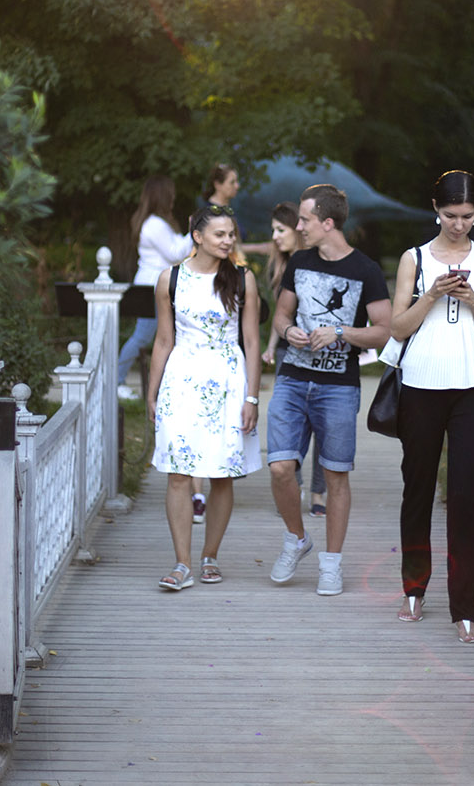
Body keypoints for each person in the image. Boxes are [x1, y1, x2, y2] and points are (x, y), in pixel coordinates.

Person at [387, 170, 474, 643]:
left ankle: (466, 609)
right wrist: (432, 292)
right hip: (421, 383)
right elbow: (398, 327)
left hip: (472, 385)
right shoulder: (413, 258)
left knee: (463, 496)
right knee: (417, 488)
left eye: (468, 217)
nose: (459, 225)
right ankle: (413, 588)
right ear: (435, 208)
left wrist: (473, 297)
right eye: (451, 215)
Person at [266, 183, 391, 595]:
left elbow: (385, 333)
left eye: (304, 220)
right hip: (292, 378)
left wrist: (339, 330)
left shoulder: (366, 271)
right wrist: (290, 331)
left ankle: (331, 564)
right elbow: (281, 316)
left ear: (328, 222)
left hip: (338, 387)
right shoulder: (299, 261)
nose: (298, 227)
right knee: (282, 467)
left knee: (335, 475)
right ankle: (297, 538)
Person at [146, 204, 263, 591]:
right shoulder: (171, 279)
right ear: (198, 236)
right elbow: (164, 340)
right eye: (220, 234)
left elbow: (251, 341)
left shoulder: (243, 280)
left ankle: (210, 554)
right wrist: (152, 392)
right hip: (181, 380)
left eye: (231, 234)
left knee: (221, 474)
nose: (228, 240)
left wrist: (252, 398)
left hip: (228, 380)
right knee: (179, 472)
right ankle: (182, 564)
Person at [261, 202, 326, 517]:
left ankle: (319, 493)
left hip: (320, 350)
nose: (274, 237)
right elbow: (280, 314)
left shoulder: (313, 263)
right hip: (290, 350)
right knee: (291, 424)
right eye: (273, 230)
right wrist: (271, 345)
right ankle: (294, 489)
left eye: (280, 230)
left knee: (321, 422)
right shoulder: (279, 265)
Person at [116, 176, 191, 403]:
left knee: (162, 336)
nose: (174, 197)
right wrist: (194, 232)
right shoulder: (155, 225)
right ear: (163, 196)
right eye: (171, 194)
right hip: (152, 287)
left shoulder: (157, 223)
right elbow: (176, 253)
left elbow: (175, 246)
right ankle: (116, 381)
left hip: (156, 285)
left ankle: (164, 383)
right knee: (143, 337)